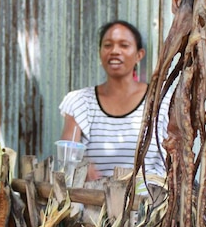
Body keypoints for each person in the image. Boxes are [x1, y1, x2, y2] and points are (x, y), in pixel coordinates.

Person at [59, 20, 170, 180]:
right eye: (108, 45)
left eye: (124, 45)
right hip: (94, 201)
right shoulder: (80, 102)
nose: (115, 51)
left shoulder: (160, 102)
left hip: (148, 202)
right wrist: (80, 166)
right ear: (100, 53)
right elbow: (67, 158)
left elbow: (169, 162)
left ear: (139, 55)